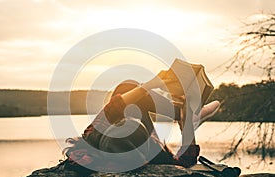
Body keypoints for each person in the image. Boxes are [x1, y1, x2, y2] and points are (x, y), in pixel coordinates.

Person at [64, 71, 220, 171]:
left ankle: (181, 112)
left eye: (121, 122)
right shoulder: (152, 153)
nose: (123, 120)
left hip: (120, 143)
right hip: (138, 147)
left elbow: (116, 106)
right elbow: (186, 162)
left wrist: (153, 83)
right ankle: (186, 115)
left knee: (127, 87)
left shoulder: (94, 136)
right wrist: (187, 129)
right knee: (128, 94)